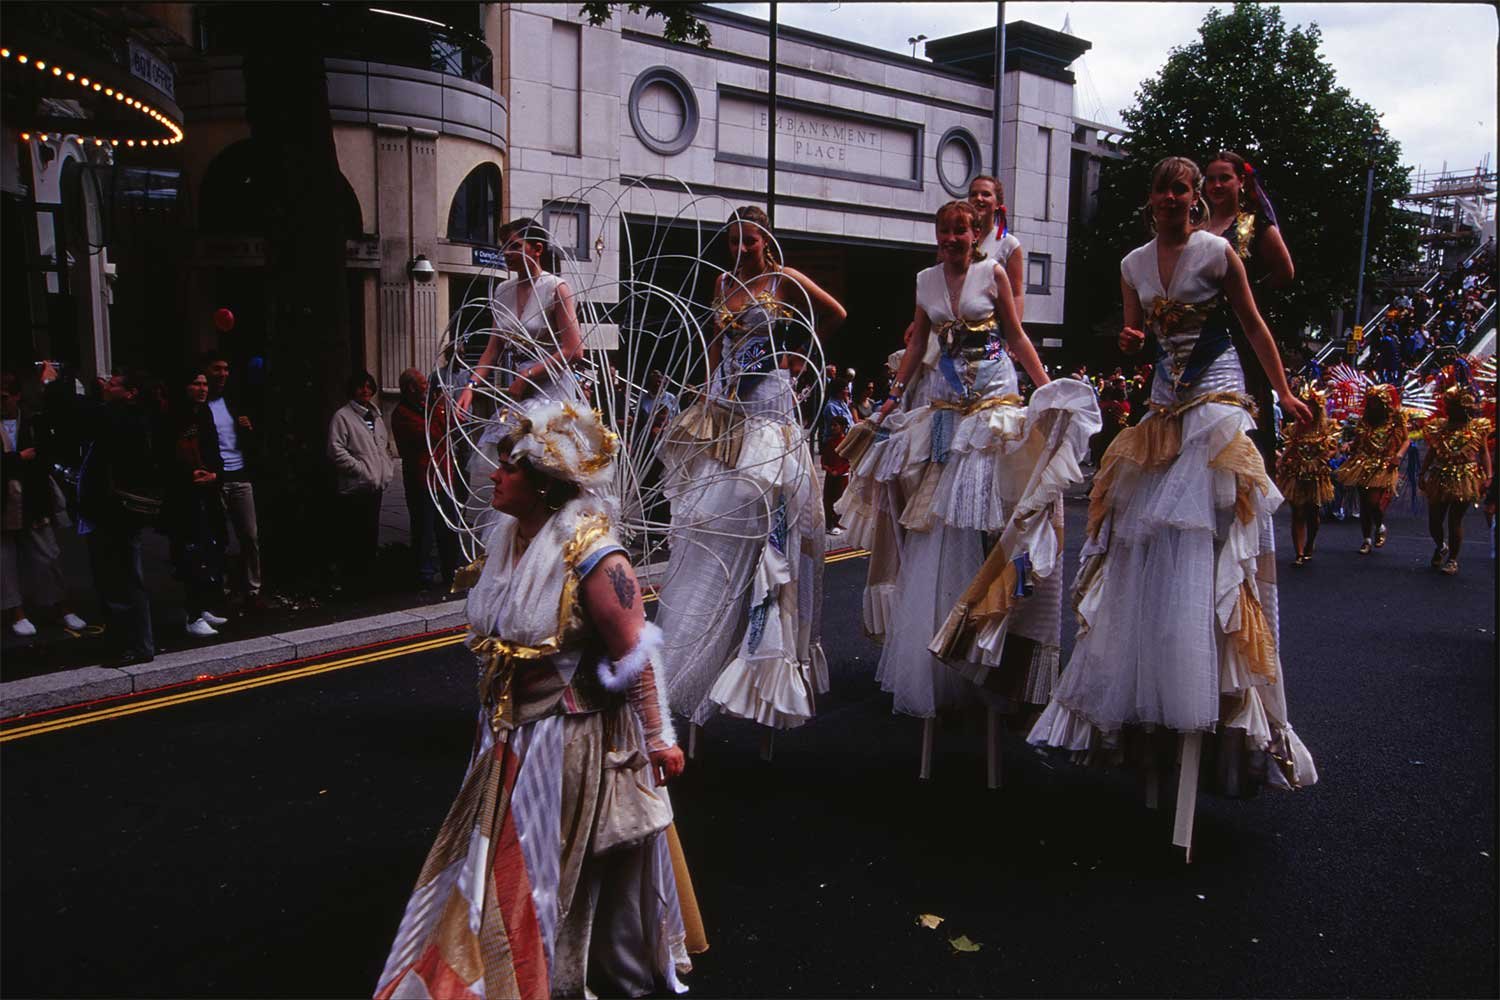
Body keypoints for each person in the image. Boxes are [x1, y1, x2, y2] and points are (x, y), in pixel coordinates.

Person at [375, 402, 701, 998]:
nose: (495, 477)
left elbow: (638, 653)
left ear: (546, 485)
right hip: (504, 734)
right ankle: (499, 970)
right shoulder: (506, 542)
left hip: (570, 739)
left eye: (510, 468)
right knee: (496, 863)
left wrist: (660, 739)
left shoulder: (598, 555)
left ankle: (545, 976)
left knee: (552, 872)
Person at [1029, 156, 1318, 799]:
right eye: (1161, 189)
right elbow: (1135, 336)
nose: (1171, 198)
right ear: (1150, 199)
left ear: (1194, 200)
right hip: (1164, 401)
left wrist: (1285, 392)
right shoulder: (1132, 264)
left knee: (1208, 529)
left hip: (1216, 393)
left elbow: (1251, 324)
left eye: (1182, 189)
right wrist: (1131, 343)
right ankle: (1155, 693)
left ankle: (1220, 689)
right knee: (1143, 534)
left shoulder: (1218, 251)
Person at [854, 199, 1097, 723]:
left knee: (990, 517)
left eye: (961, 230)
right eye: (944, 230)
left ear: (977, 233)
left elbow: (1013, 335)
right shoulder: (924, 281)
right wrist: (894, 398)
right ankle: (945, 646)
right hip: (944, 409)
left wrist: (1045, 387)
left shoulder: (993, 273)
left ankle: (994, 636)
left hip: (992, 405)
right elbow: (920, 340)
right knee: (938, 524)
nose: (952, 238)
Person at [656, 204, 846, 732]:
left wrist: (799, 353)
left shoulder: (783, 279)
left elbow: (833, 313)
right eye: (734, 241)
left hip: (770, 406)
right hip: (726, 409)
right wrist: (705, 390)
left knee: (766, 520)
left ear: (766, 240)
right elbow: (716, 346)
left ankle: (764, 656)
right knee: (709, 521)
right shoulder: (720, 284)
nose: (741, 251)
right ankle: (691, 657)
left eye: (750, 241)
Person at [1202, 152, 1295, 472]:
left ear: (1241, 181)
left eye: (1224, 178)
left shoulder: (1253, 224)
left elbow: (1285, 271)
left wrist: (1247, 293)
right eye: (1210, 178)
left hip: (1238, 329)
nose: (1216, 185)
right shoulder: (1197, 223)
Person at [456, 217, 584, 420]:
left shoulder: (556, 288)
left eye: (515, 246)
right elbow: (493, 348)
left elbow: (574, 351)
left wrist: (529, 375)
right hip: (519, 388)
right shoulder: (502, 291)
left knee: (544, 444)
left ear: (537, 249)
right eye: (504, 246)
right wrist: (471, 385)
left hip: (552, 387)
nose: (506, 253)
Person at [74, 370, 159, 666]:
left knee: (121, 580)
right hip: (111, 512)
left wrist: (52, 383)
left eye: (112, 384)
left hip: (116, 513)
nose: (105, 386)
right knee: (118, 580)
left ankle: (135, 646)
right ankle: (127, 643)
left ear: (130, 392)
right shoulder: (120, 415)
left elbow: (81, 412)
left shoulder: (124, 418)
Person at [1, 370, 87, 637]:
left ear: (16, 396)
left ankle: (62, 608)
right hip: (4, 499)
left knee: (48, 555)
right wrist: (18, 459)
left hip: (33, 496)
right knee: (5, 561)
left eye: (4, 397)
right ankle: (17, 612)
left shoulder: (33, 422)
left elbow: (46, 455)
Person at [160, 370, 229, 636]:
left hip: (208, 489)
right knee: (190, 555)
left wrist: (216, 474)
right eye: (196, 384)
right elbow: (165, 456)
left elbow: (214, 449)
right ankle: (192, 615)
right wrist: (188, 475)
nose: (202, 388)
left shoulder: (204, 414)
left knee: (210, 550)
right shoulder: (173, 416)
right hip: (184, 495)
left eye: (204, 384)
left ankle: (202, 607)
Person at [203, 352, 265, 609]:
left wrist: (248, 428)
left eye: (226, 368)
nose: (223, 374)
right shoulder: (201, 405)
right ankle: (224, 589)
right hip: (215, 479)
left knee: (250, 536)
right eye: (217, 368)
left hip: (240, 476)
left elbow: (249, 438)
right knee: (218, 538)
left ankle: (253, 589)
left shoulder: (233, 402)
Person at [391, 367, 461, 591]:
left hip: (443, 476)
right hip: (422, 480)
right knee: (424, 529)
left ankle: (451, 571)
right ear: (411, 388)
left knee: (448, 527)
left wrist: (441, 410)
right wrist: (439, 409)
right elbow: (431, 436)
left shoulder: (429, 407)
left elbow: (451, 430)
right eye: (422, 383)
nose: (427, 387)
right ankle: (424, 576)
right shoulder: (403, 413)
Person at [326, 370, 395, 590]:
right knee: (354, 537)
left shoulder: (375, 416)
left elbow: (383, 447)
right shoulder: (342, 417)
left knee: (370, 535)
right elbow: (335, 449)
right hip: (356, 487)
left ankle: (368, 579)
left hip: (375, 485)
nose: (365, 391)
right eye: (360, 387)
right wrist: (360, 470)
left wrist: (386, 469)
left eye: (368, 386)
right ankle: (353, 582)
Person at [1419, 382, 1493, 575]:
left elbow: (1483, 452)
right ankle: (1440, 546)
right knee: (1434, 521)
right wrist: (1422, 473)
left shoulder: (1477, 428)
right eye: (1450, 407)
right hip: (1439, 475)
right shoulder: (1439, 427)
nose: (1452, 410)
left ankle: (1452, 559)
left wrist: (1488, 476)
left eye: (1457, 408)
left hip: (1465, 477)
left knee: (1455, 520)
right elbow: (1432, 452)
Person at [1335, 383, 1409, 554]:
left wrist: (1398, 455)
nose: (1373, 405)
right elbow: (1359, 441)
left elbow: (1406, 440)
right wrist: (1349, 445)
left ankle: (1380, 525)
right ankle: (1366, 539)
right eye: (1371, 401)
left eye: (1376, 401)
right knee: (1364, 503)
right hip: (1363, 463)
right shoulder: (1364, 421)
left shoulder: (1396, 419)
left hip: (1384, 463)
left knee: (1373, 502)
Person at [1275, 384, 1340, 566]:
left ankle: (1310, 543)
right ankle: (1299, 552)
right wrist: (1280, 462)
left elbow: (1333, 449)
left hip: (1316, 476)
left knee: (1312, 513)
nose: (1306, 407)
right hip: (1296, 473)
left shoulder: (1326, 428)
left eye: (1310, 404)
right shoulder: (1294, 428)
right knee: (1297, 512)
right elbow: (1289, 448)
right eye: (1304, 403)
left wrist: (1327, 456)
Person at [967, 174, 1025, 317]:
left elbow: (1016, 295)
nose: (978, 198)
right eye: (974, 194)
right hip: (950, 325)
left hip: (989, 328)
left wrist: (1014, 334)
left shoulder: (1010, 244)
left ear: (998, 203)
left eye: (986, 194)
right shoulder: (957, 238)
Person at [820, 378, 854, 534]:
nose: (847, 391)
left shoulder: (843, 403)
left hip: (843, 462)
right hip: (834, 458)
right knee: (830, 496)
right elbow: (825, 459)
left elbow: (847, 462)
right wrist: (829, 468)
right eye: (845, 388)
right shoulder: (831, 407)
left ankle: (839, 521)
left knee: (842, 495)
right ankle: (830, 523)